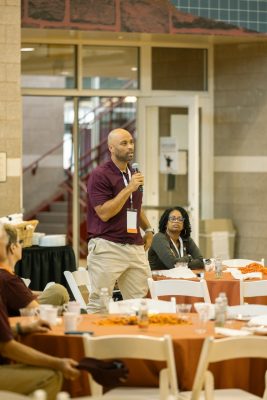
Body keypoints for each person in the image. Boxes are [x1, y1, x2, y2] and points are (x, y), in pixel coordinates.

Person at [0, 222, 79, 399]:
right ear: (10, 248)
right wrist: (58, 362)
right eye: (18, 243)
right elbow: (6, 347)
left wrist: (21, 329)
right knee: (51, 376)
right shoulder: (5, 278)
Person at [86, 128, 153, 313]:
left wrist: (148, 229)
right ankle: (94, 342)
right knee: (100, 305)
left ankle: (134, 341)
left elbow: (135, 207)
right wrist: (129, 188)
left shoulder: (133, 173)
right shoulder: (100, 175)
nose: (130, 147)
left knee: (140, 305)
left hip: (135, 247)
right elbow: (104, 213)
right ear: (111, 148)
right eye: (124, 143)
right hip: (108, 246)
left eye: (131, 142)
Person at [0, 224, 69, 317]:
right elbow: (37, 311)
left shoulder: (6, 275)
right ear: (13, 247)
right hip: (27, 320)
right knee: (59, 291)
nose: (22, 246)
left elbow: (18, 293)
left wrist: (37, 294)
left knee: (57, 290)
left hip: (22, 315)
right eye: (20, 241)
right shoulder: (9, 280)